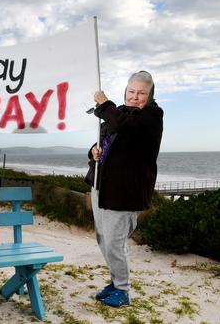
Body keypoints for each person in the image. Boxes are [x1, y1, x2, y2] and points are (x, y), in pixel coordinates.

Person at [84, 70, 163, 307]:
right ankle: (115, 281)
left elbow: (125, 126)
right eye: (131, 91)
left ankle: (123, 290)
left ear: (150, 95)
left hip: (125, 193)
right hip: (102, 186)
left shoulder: (152, 115)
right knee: (102, 239)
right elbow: (104, 139)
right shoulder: (118, 113)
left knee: (114, 243)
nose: (135, 97)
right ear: (125, 91)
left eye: (141, 93)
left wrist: (104, 104)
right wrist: (93, 151)